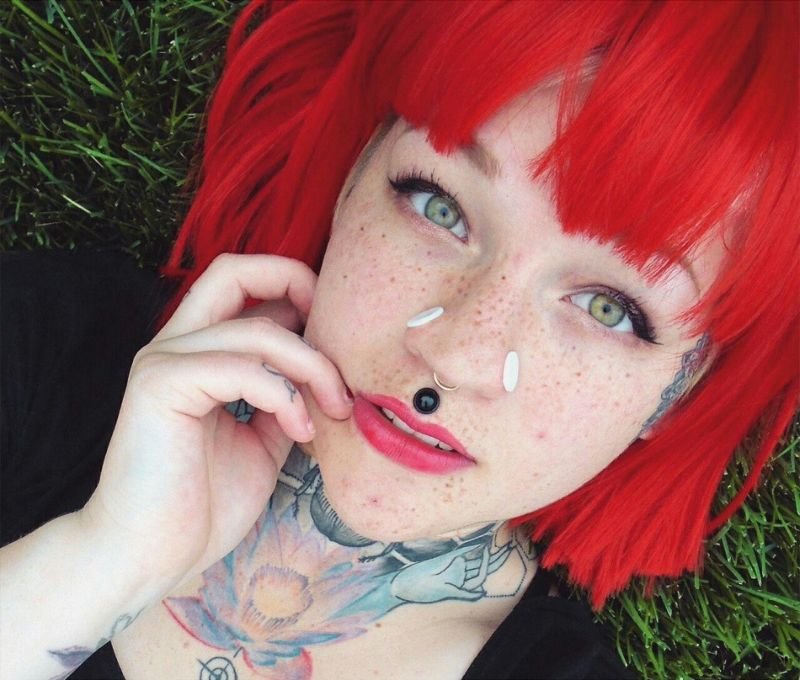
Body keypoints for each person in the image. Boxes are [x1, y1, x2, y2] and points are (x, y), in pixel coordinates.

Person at [1, 1, 797, 678]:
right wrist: (99, 561)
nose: (457, 356)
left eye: (609, 308)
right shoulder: (45, 343)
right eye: (439, 206)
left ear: (679, 390)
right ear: (353, 171)